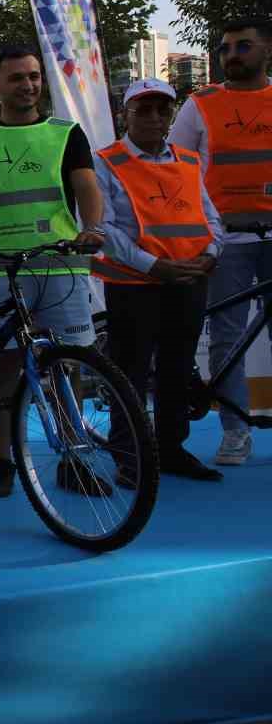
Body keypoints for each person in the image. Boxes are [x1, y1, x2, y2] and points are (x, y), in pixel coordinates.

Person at [0, 45, 104, 499]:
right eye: (16, 78)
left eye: (33, 76)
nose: (27, 85)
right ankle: (4, 460)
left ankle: (73, 455)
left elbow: (86, 185)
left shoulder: (67, 133)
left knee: (67, 366)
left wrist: (94, 229)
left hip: (60, 263)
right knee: (3, 368)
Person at [94, 78, 224, 481]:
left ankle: (171, 450)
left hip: (187, 282)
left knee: (177, 369)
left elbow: (210, 217)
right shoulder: (105, 161)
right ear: (125, 115)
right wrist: (154, 266)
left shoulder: (187, 160)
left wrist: (209, 255)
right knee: (128, 373)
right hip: (135, 286)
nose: (154, 117)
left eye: (161, 109)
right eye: (143, 109)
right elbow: (104, 228)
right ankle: (128, 456)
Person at [169, 16, 272, 466]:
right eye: (226, 48)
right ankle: (235, 431)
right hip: (226, 241)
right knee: (225, 338)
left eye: (243, 47)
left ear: (266, 49)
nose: (232, 56)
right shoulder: (201, 104)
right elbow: (174, 167)